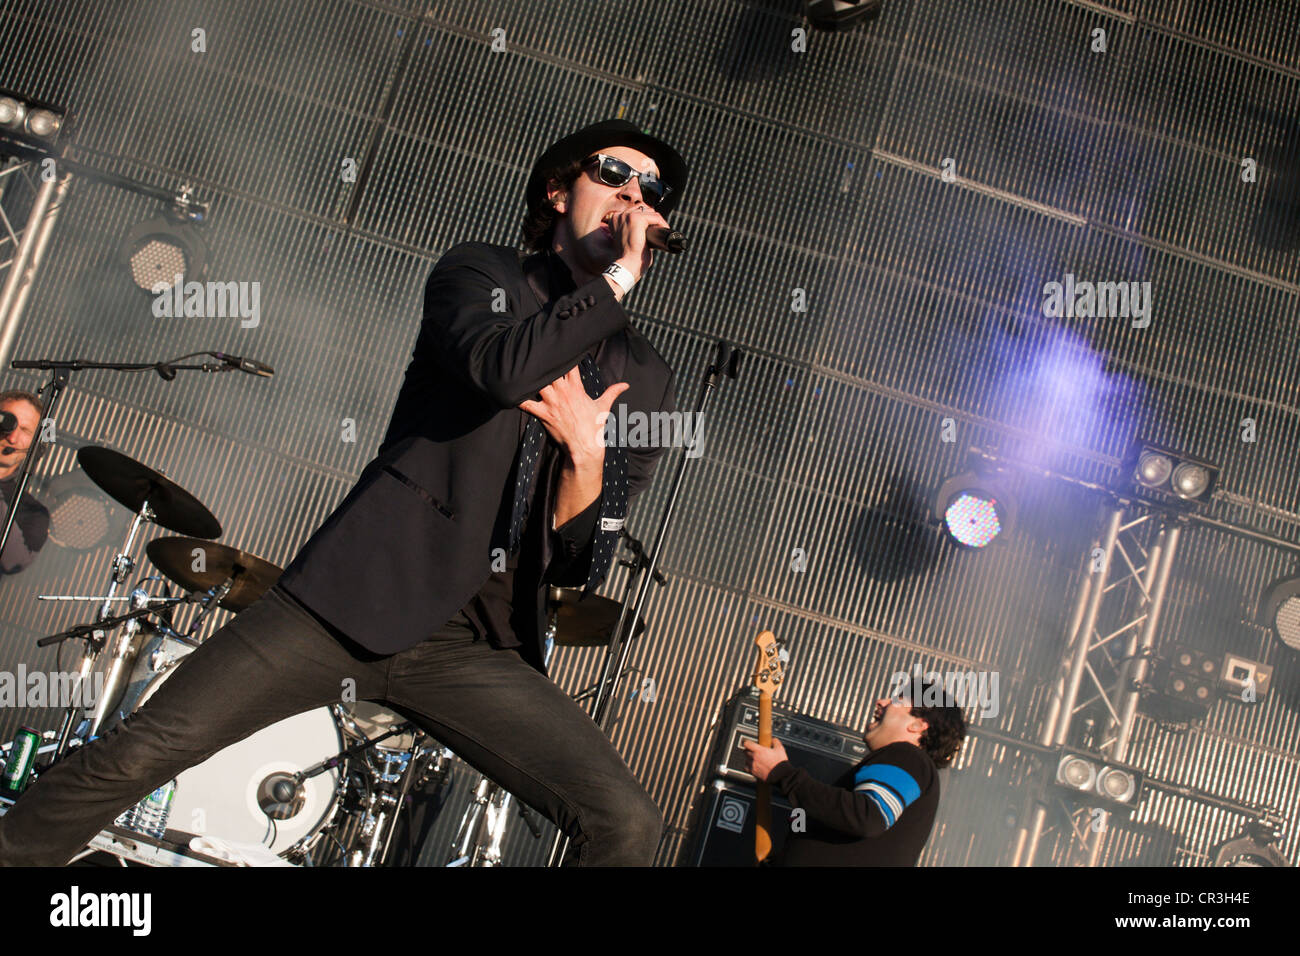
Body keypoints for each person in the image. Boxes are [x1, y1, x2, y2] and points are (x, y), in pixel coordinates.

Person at [0, 118, 687, 866]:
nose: (633, 194)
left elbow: (582, 559)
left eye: (651, 190)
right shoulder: (483, 277)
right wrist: (617, 281)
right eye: (614, 174)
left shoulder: (644, 377)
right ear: (557, 190)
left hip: (476, 643)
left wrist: (589, 457)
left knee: (628, 823)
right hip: (351, 599)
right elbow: (500, 370)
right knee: (145, 750)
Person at [742, 684, 966, 865]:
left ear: (918, 725)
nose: (881, 701)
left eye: (897, 700)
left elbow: (868, 817)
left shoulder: (908, 757)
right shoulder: (897, 765)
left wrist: (782, 774)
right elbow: (825, 824)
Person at [0, 389, 51, 575]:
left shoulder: (33, 513)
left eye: (24, 430)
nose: (12, 438)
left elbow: (12, 561)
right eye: (8, 423)